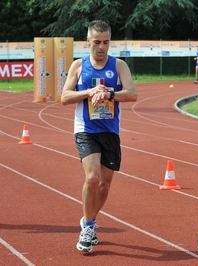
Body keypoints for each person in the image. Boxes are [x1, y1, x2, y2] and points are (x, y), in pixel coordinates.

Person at [61, 20, 138, 252]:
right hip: (86, 129)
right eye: (96, 42)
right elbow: (64, 97)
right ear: (88, 42)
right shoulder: (78, 66)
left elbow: (132, 94)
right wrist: (89, 92)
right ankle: (88, 228)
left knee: (104, 186)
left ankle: (89, 221)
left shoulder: (119, 66)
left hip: (110, 131)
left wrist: (109, 93)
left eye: (106, 42)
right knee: (92, 178)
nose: (101, 47)